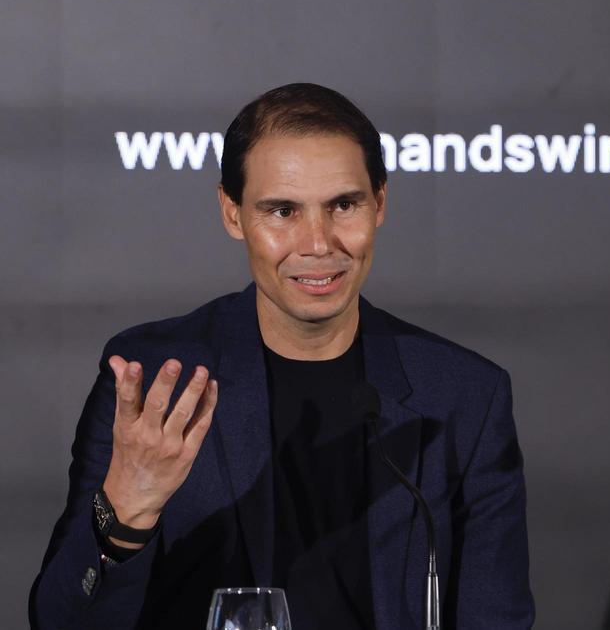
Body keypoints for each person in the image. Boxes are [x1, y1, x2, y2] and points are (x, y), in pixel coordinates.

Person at [30, 83, 535, 630]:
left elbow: (496, 616)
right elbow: (59, 621)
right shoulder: (152, 380)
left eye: (344, 205)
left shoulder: (463, 395)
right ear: (232, 213)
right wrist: (127, 512)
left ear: (380, 203)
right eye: (282, 211)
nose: (318, 243)